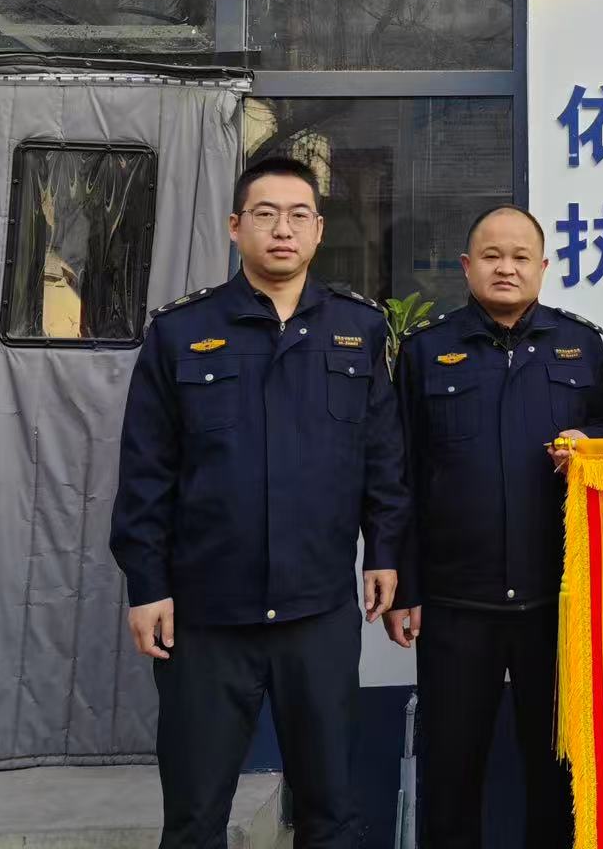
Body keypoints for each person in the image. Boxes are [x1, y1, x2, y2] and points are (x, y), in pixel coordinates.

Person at [110, 155, 407, 848]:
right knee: (194, 816)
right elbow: (147, 470)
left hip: (316, 611)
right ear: (235, 226)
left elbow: (382, 457)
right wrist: (146, 585)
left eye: (298, 215)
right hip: (208, 615)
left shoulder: (357, 330)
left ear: (318, 230)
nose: (282, 229)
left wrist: (385, 550)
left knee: (330, 811)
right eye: (265, 214)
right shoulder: (180, 332)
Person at [386, 205, 603, 849]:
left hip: (558, 601)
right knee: (452, 770)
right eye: (491, 256)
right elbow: (398, 474)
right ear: (467, 267)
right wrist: (405, 583)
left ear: (543, 267)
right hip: (455, 601)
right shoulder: (426, 350)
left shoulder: (581, 346)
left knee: (557, 774)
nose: (506, 268)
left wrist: (591, 439)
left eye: (521, 257)